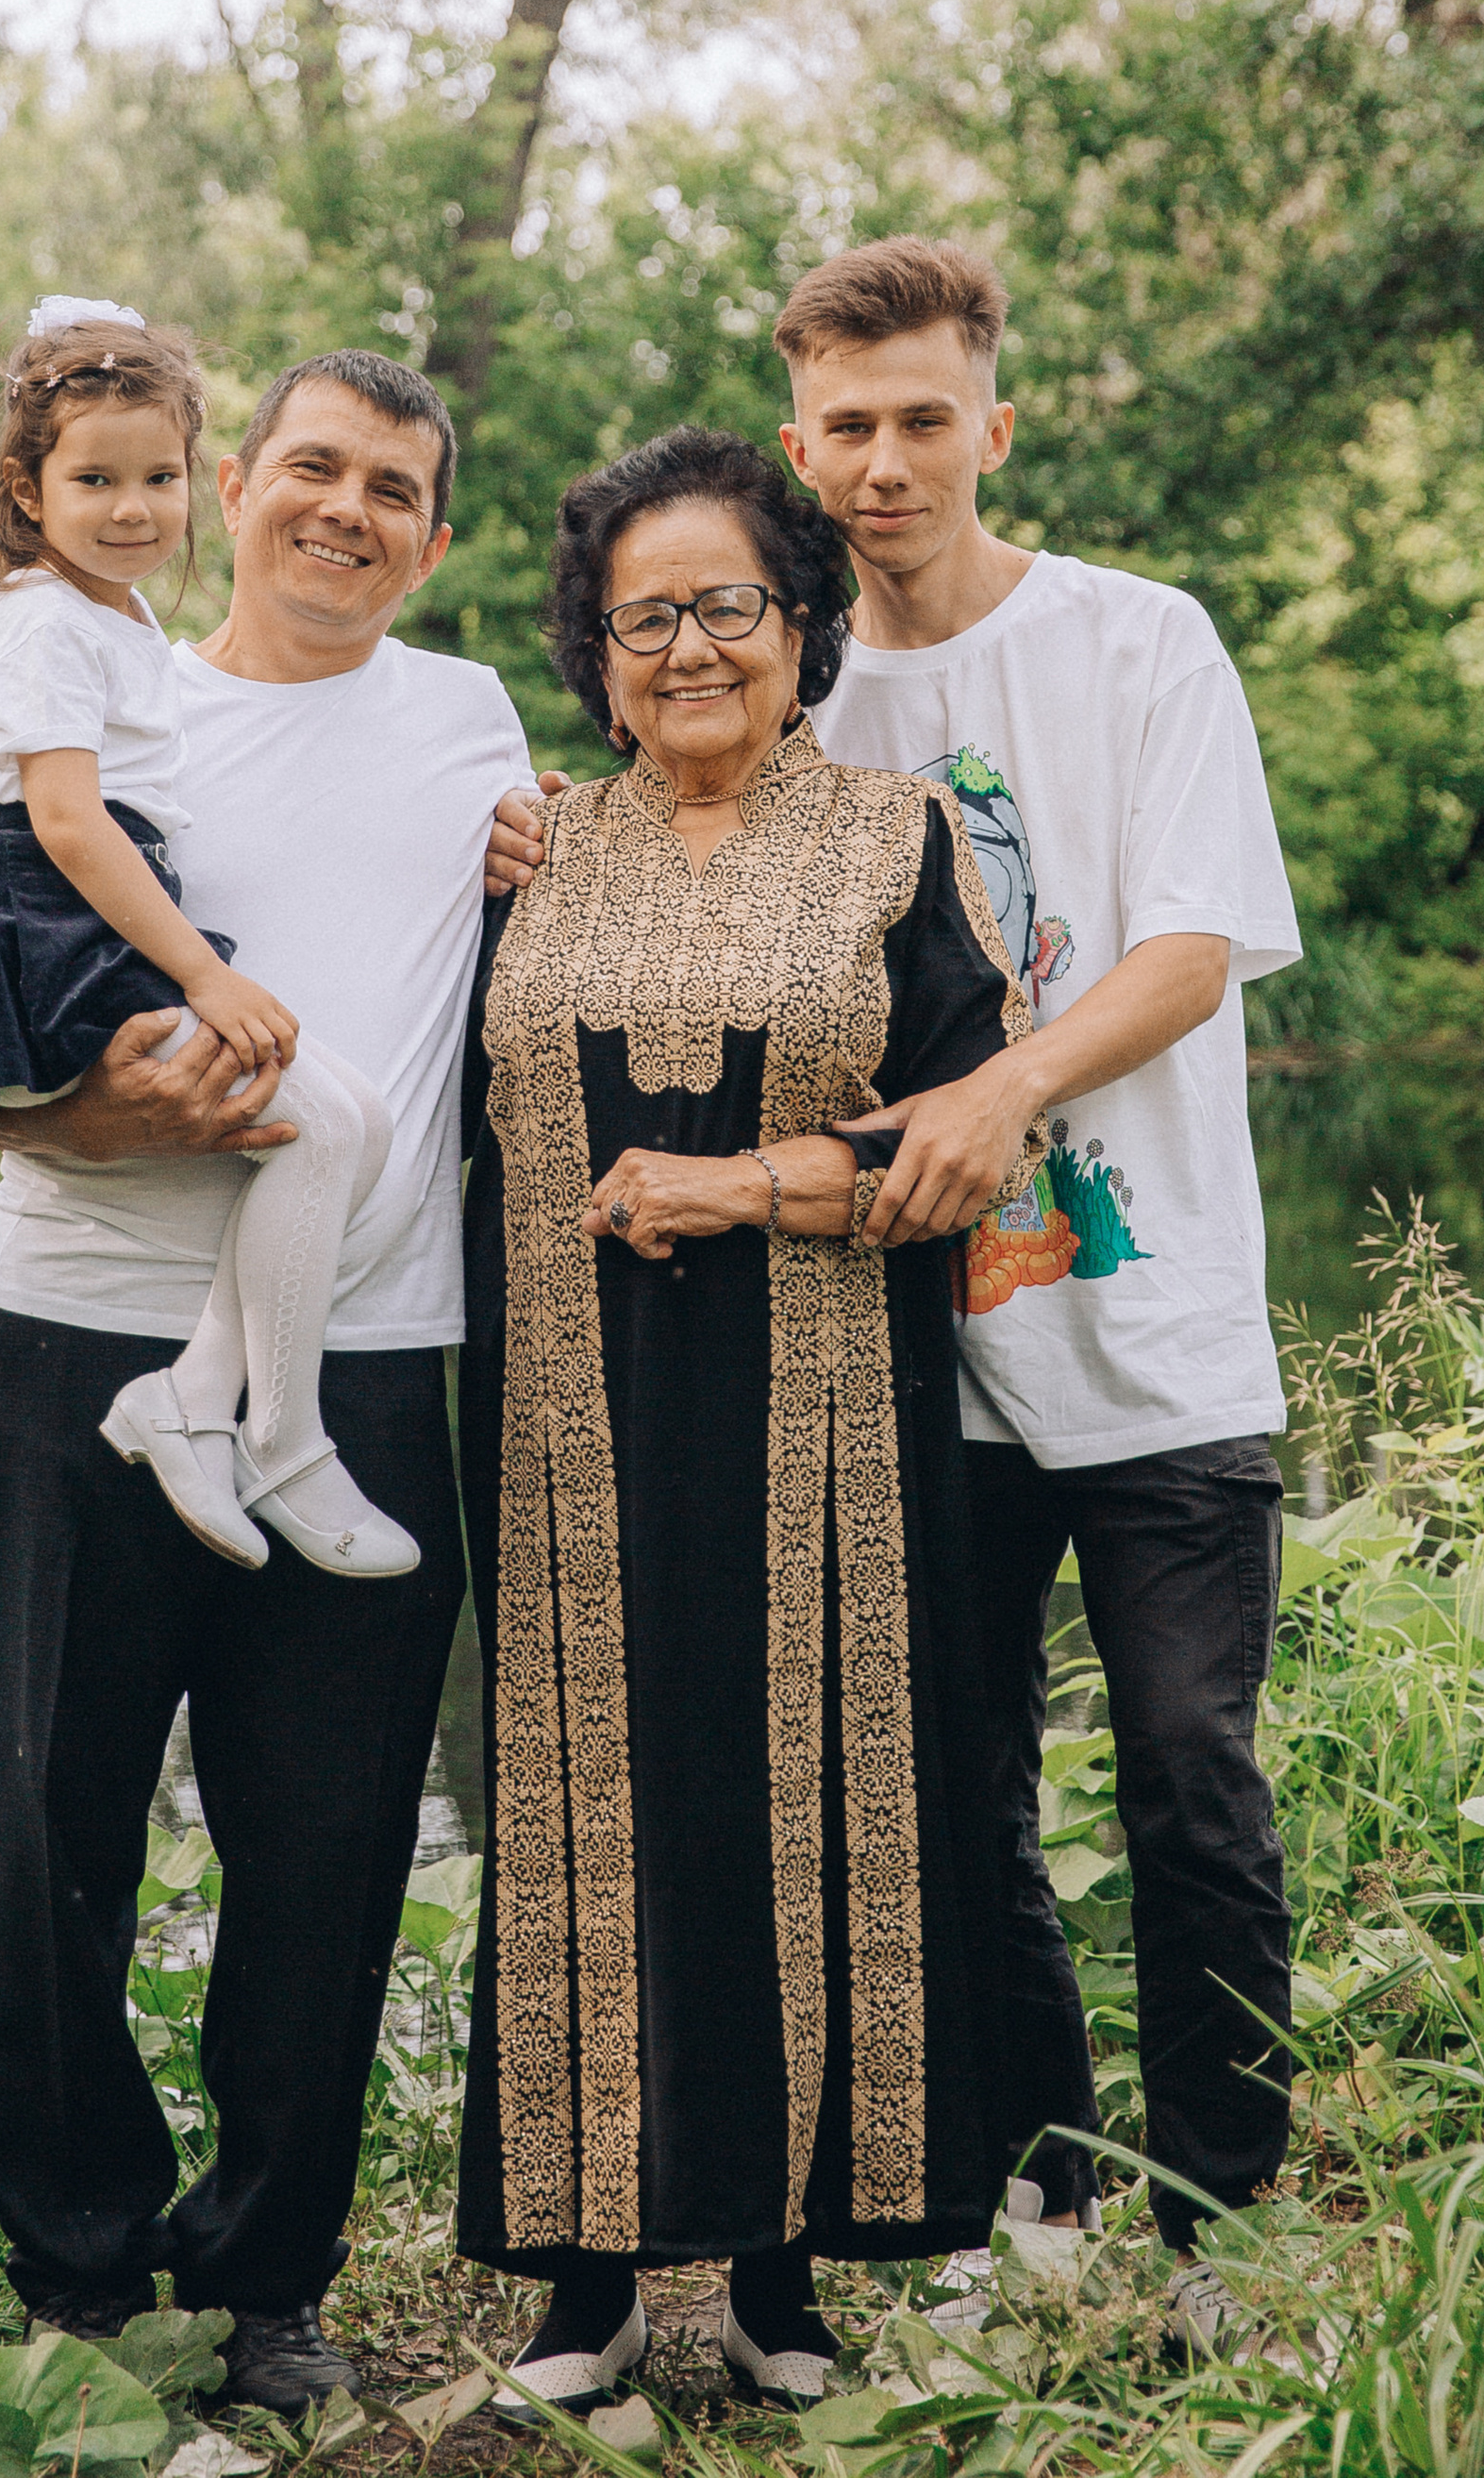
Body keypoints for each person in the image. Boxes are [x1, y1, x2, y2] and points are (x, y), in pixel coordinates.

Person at [488, 243, 1304, 2369]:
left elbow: (1194, 943)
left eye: (921, 418)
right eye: (843, 427)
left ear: (989, 425)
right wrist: (534, 851)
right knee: (952, 1797)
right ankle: (1036, 2190)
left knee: (1189, 1771)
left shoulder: (1135, 640)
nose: (882, 461)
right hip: (901, 1358)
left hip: (1149, 1322)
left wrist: (1001, 1090)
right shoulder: (791, 679)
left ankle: (1226, 2219)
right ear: (799, 445)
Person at [0, 347, 530, 2412]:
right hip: (79, 1339)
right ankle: (80, 2277)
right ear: (229, 486)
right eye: (312, 467)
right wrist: (82, 1112)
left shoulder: (473, 723)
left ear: (431, 543)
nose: (343, 510)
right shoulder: (99, 696)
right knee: (59, 1830)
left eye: (391, 490)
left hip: (363, 1371)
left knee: (331, 1852)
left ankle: (266, 2280)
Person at [459, 427, 1042, 2424]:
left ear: (799, 627)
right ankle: (589, 2282)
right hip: (563, 1421)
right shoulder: (537, 853)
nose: (689, 648)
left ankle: (783, 2277)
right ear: (595, 655)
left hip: (828, 1425)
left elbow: (970, 1141)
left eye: (727, 606)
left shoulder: (896, 840)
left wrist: (746, 1190)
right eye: (645, 619)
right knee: (585, 1814)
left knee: (801, 1801)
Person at [0, 296, 415, 1581]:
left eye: (157, 479)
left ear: (196, 481)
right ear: (28, 490)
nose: (133, 509)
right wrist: (204, 973)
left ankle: (195, 1398)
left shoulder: (115, 618)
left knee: (356, 1122)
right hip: (49, 923)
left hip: (84, 915)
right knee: (328, 1125)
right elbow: (68, 824)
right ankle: (276, 1435)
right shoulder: (41, 620)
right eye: (95, 481)